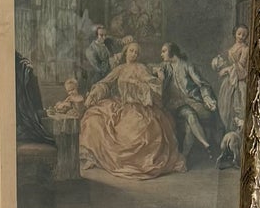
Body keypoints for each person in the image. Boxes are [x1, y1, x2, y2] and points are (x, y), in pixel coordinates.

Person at [79, 40, 185, 179]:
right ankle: (96, 158)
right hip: (122, 105)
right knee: (93, 119)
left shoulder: (141, 68)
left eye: (136, 52)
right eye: (131, 51)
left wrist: (152, 82)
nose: (134, 54)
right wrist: (94, 94)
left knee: (141, 133)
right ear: (126, 52)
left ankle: (135, 162)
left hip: (139, 107)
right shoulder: (120, 69)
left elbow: (153, 85)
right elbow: (105, 83)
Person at [158, 42, 220, 163]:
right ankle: (206, 146)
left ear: (172, 52)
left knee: (190, 122)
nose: (161, 54)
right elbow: (152, 68)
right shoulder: (165, 66)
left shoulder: (187, 66)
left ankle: (185, 157)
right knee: (189, 115)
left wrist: (207, 98)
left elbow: (202, 84)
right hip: (173, 104)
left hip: (191, 102)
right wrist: (158, 72)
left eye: (164, 51)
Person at [212, 25, 250, 170]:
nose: (241, 36)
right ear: (235, 34)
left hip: (238, 85)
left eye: (244, 35)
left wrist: (228, 69)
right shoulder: (232, 47)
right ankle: (227, 150)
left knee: (237, 113)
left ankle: (237, 152)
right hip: (228, 85)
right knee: (226, 113)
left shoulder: (245, 49)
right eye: (239, 34)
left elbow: (241, 67)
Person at [47, 76, 86, 180]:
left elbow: (78, 107)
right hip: (71, 116)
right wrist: (61, 105)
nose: (71, 92)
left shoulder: (80, 97)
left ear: (77, 87)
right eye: (69, 91)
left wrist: (66, 104)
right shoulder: (70, 98)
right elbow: (65, 104)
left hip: (79, 117)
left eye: (73, 89)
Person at [82, 23, 117, 90]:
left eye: (105, 35)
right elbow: (97, 67)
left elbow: (117, 41)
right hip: (99, 75)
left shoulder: (106, 42)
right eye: (101, 35)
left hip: (109, 71)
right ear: (95, 36)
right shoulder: (91, 50)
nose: (104, 37)